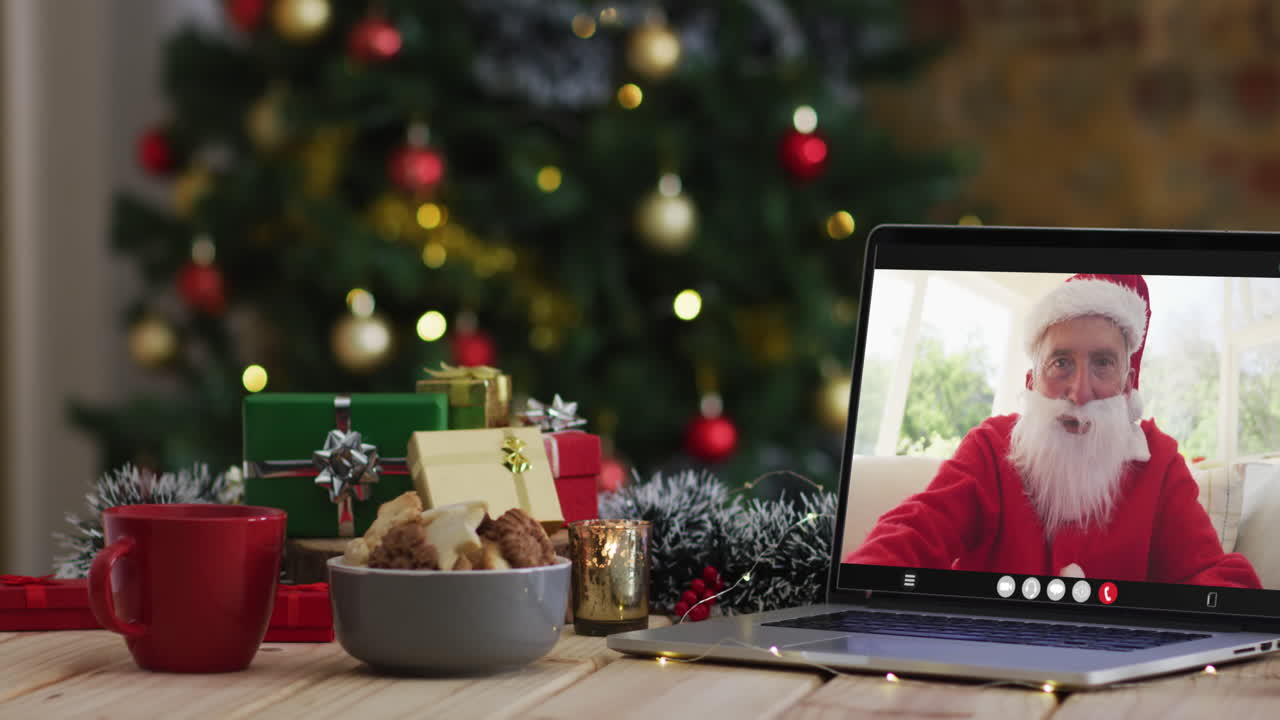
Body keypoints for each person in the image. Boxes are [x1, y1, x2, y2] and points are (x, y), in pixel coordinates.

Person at [845, 273, 1262, 589]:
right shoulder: (991, 448)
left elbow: (1210, 573)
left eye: (1102, 363)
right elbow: (914, 533)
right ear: (1031, 382)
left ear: (1128, 384)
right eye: (1061, 362)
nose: (1079, 393)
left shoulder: (1159, 461)